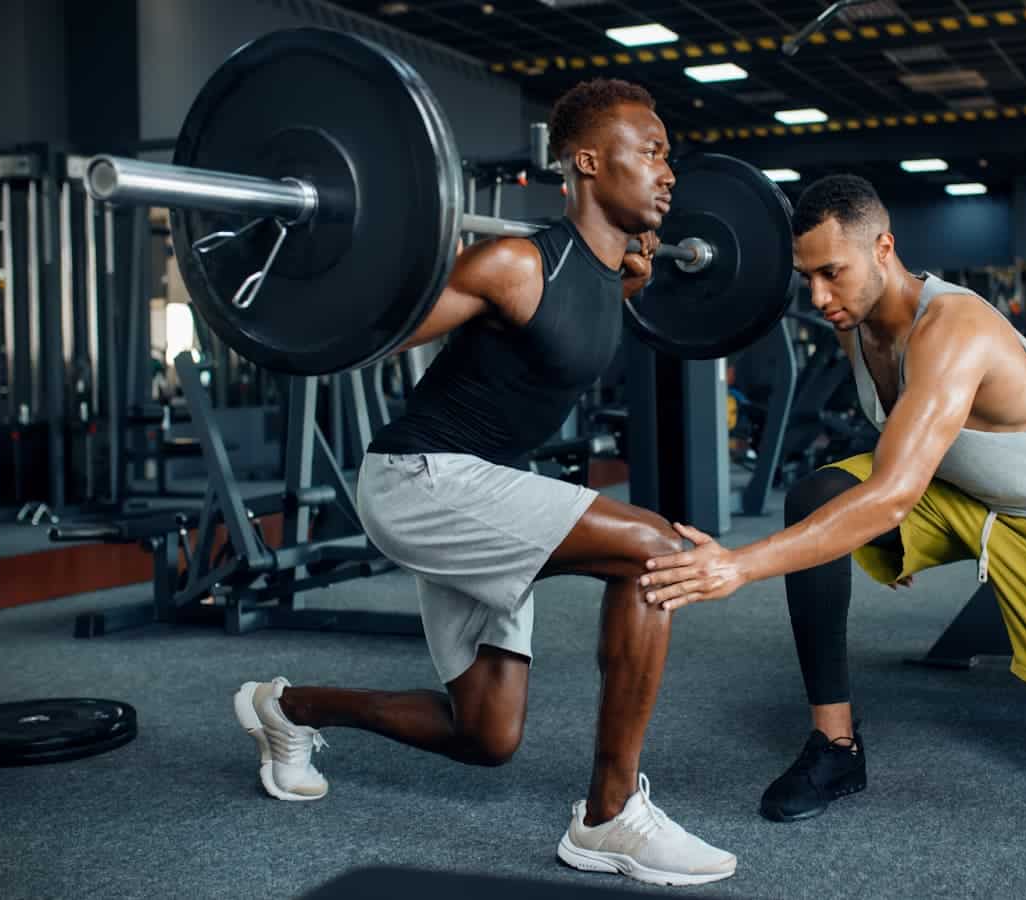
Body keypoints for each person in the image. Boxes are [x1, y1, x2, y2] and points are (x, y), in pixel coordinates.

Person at [637, 175, 1026, 822]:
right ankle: (834, 746)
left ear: (883, 247)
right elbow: (886, 447)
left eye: (831, 273)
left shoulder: (952, 328)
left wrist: (741, 564)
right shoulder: (851, 318)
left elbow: (888, 495)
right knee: (817, 495)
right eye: (808, 277)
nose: (818, 296)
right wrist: (639, 271)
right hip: (959, 491)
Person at [231, 79, 736, 887]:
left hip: (477, 491)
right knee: (655, 550)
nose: (668, 172)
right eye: (650, 152)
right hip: (419, 479)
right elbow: (369, 329)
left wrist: (631, 276)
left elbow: (600, 299)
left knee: (485, 736)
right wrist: (314, 246)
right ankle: (610, 818)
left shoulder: (621, 275)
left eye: (668, 155)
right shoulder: (513, 262)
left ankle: (288, 709)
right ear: (586, 162)